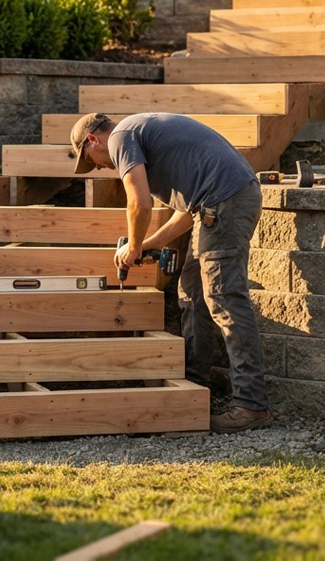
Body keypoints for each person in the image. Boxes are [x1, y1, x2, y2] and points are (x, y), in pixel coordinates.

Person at [70, 112, 270, 433]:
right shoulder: (142, 133)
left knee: (225, 301)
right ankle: (193, 386)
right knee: (191, 290)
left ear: (93, 139)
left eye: (91, 160)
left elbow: (139, 203)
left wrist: (132, 246)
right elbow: (184, 214)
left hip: (224, 203)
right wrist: (146, 244)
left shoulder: (121, 137)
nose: (98, 167)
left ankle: (251, 405)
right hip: (217, 203)